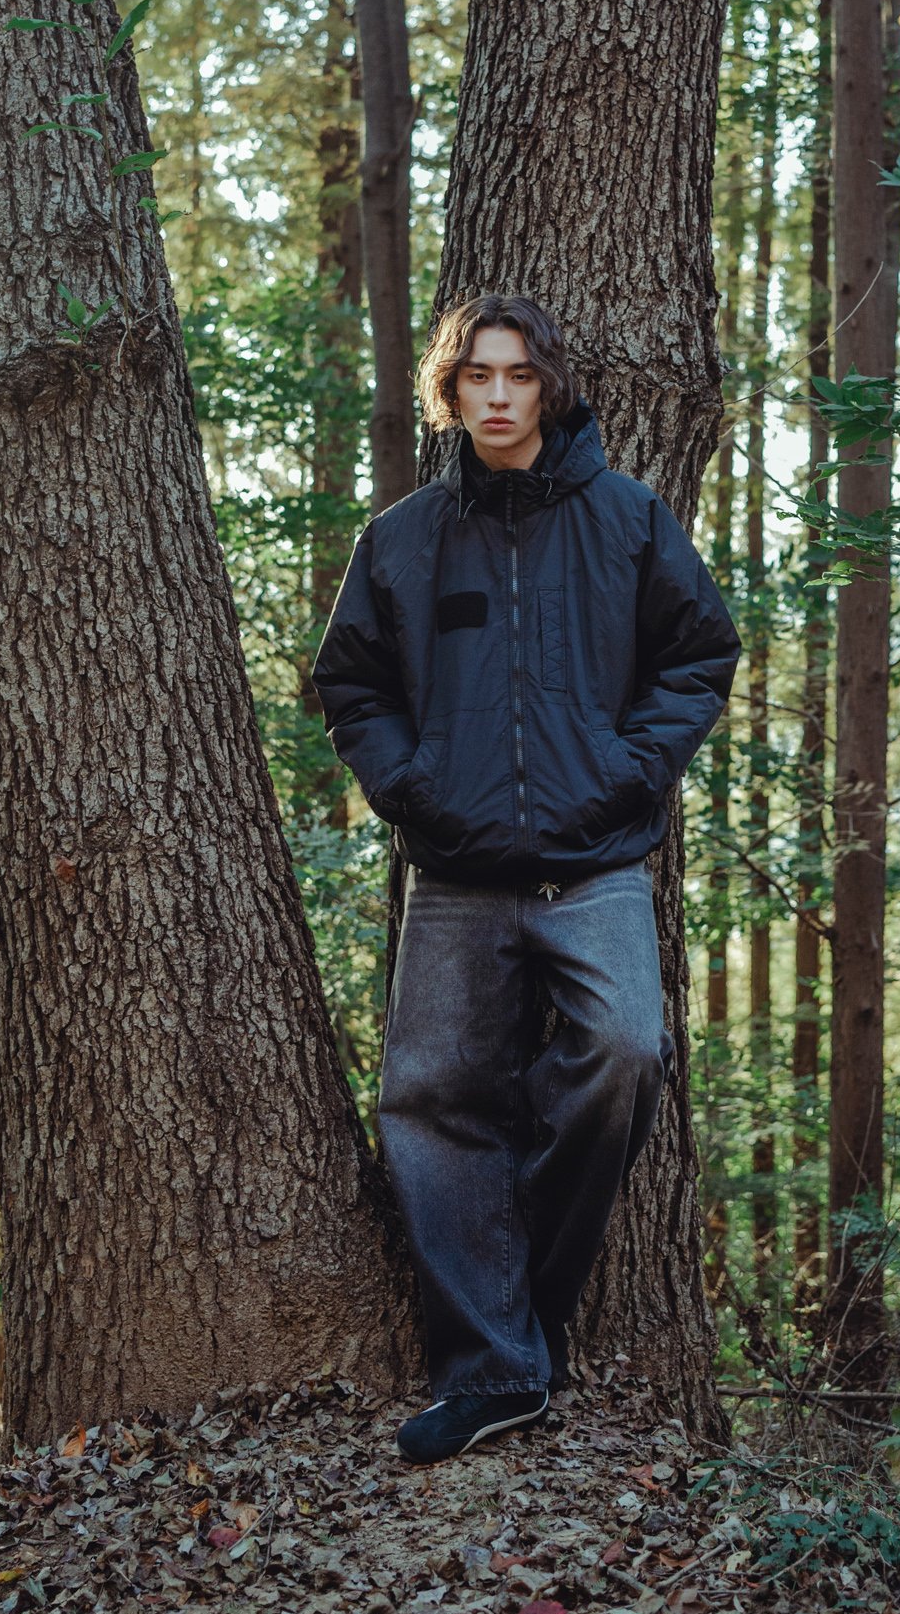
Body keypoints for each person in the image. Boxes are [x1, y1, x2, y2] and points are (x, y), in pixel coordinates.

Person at [311, 293, 740, 1464]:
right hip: (453, 870)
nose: (497, 395)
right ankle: (497, 1367)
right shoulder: (401, 537)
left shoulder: (627, 519)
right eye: (474, 379)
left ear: (545, 386)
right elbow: (350, 684)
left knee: (621, 1055)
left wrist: (624, 768)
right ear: (448, 396)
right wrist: (413, 787)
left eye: (516, 375)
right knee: (431, 1100)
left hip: (593, 860)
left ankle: (523, 1309)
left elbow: (700, 651)